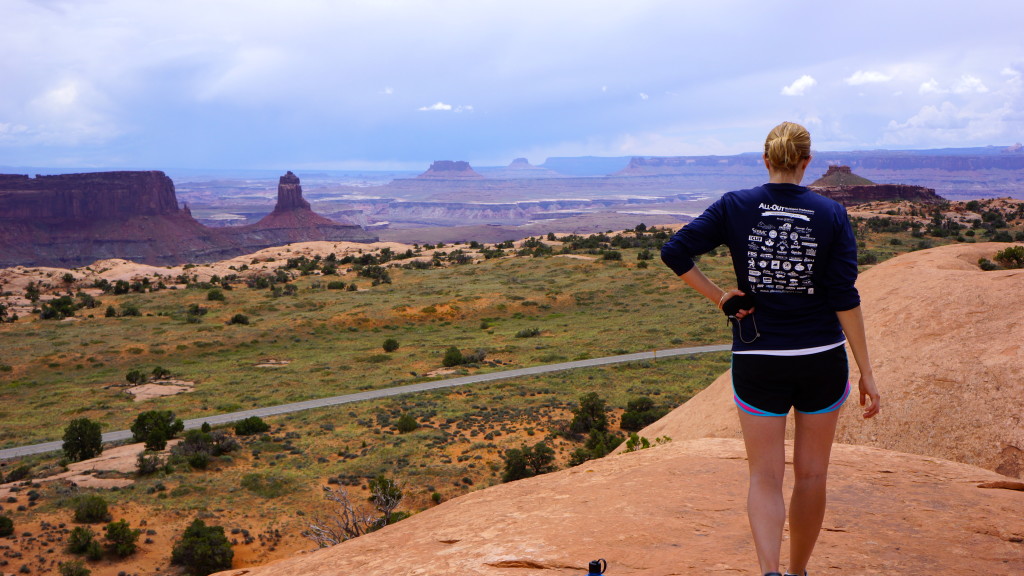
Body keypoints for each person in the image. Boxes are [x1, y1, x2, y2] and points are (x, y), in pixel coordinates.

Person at [660, 121, 880, 576]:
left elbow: (675, 252)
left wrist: (721, 296)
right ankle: (798, 572)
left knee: (764, 476)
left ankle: (770, 573)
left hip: (758, 357)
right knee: (812, 474)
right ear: (806, 162)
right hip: (821, 358)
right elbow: (845, 296)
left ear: (765, 160)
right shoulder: (830, 213)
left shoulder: (735, 205)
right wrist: (867, 372)